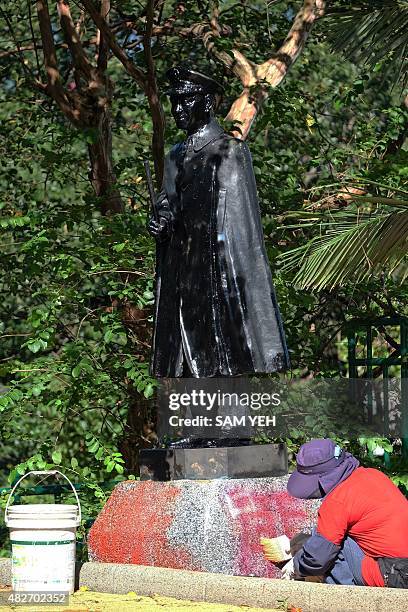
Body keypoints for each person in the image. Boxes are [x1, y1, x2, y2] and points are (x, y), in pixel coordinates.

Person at [147, 66, 289, 378]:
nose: (177, 109)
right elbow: (168, 208)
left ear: (208, 103)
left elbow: (239, 230)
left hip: (218, 279)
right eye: (174, 102)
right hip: (185, 280)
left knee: (223, 371)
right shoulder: (175, 156)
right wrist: (162, 227)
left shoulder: (229, 151)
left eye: (186, 101)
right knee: (188, 377)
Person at [286, 438, 408, 588]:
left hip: (396, 575)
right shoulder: (372, 474)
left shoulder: (337, 500)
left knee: (330, 548)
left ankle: (344, 599)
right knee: (328, 536)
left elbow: (317, 560)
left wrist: (295, 566)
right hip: (399, 566)